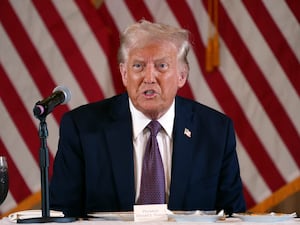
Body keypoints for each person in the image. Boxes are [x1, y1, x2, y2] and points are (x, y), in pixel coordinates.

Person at [49, 19, 246, 218]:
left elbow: (233, 216)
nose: (149, 77)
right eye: (138, 66)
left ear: (182, 75)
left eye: (161, 66)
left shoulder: (215, 131)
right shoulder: (82, 128)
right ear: (124, 74)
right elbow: (61, 215)